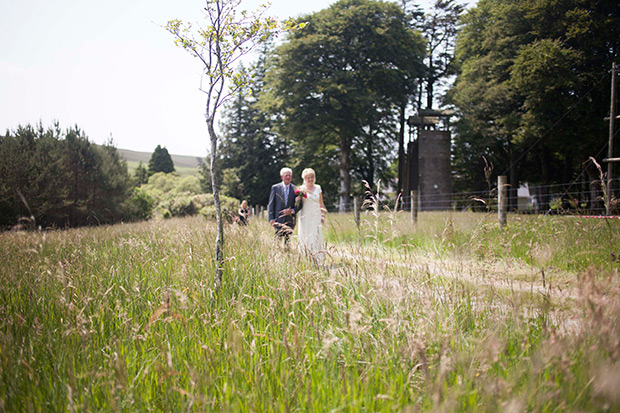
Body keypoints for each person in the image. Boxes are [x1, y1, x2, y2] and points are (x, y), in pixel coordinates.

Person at [296, 168, 326, 262]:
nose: (310, 179)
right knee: (305, 236)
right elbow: (297, 204)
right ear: (305, 178)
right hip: (305, 216)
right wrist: (297, 199)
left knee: (315, 235)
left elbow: (321, 203)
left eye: (312, 177)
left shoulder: (318, 188)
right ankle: (305, 259)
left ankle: (317, 259)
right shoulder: (301, 189)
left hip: (316, 216)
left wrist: (323, 215)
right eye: (308, 178)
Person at [268, 167, 298, 244]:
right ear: (282, 177)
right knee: (277, 240)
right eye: (286, 175)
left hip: (290, 219)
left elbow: (299, 205)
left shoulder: (296, 189)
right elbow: (271, 204)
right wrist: (271, 218)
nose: (288, 177)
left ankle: (287, 254)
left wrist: (292, 211)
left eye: (290, 175)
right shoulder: (275, 188)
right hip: (278, 219)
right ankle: (277, 254)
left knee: (288, 241)